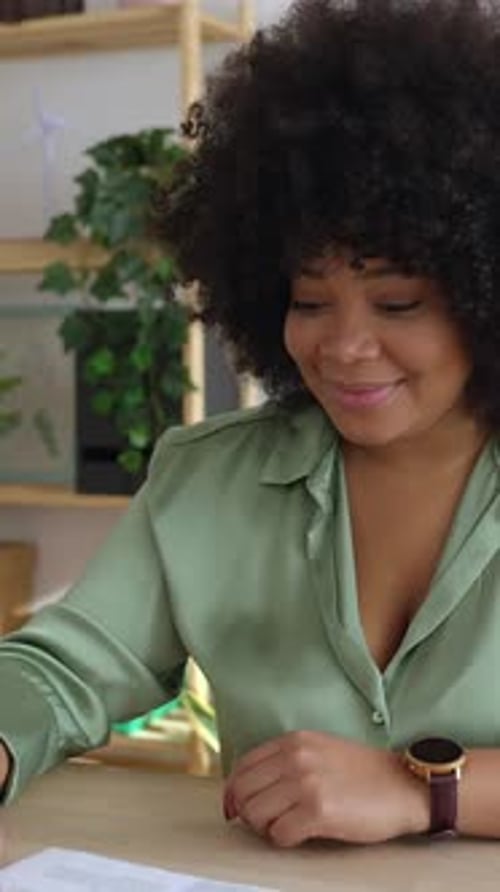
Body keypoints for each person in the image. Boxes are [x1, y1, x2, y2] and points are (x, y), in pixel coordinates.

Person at [2, 0, 500, 848]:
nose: (343, 346)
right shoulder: (210, 480)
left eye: (397, 303)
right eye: (309, 301)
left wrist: (422, 790)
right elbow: (63, 669)